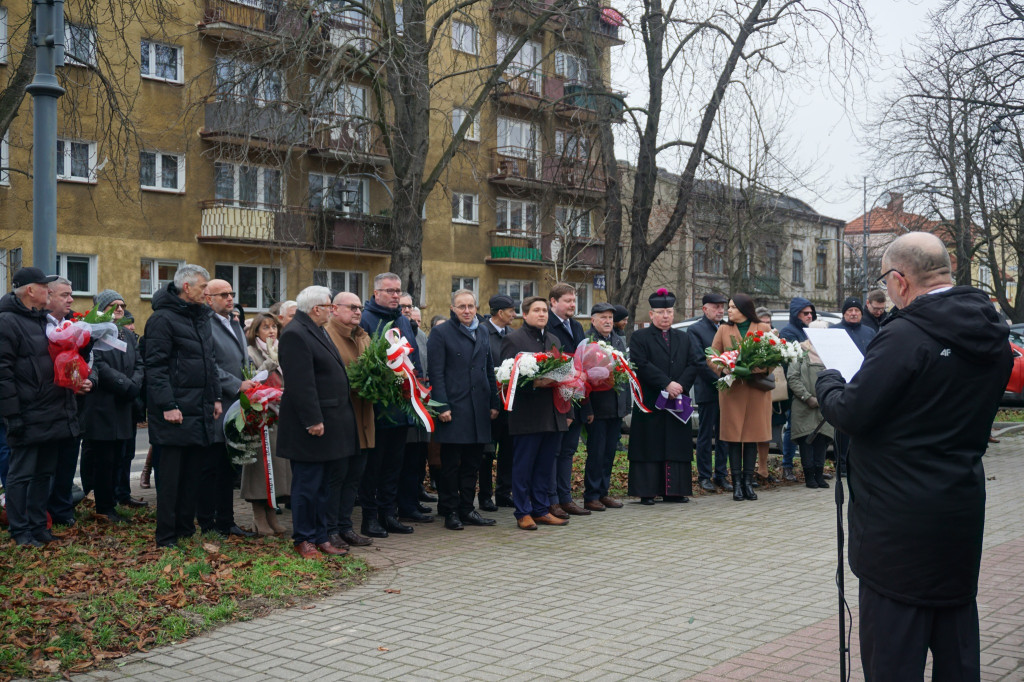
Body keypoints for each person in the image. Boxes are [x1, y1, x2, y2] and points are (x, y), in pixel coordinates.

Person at [816, 232, 1012, 681]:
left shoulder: (905, 334)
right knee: (956, 644)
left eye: (886, 283)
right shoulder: (992, 334)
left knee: (894, 658)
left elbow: (852, 412)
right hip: (959, 508)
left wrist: (828, 377)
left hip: (897, 524)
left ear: (900, 281)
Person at [0, 267, 89, 547]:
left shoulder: (42, 320)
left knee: (43, 475)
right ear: (30, 290)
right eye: (44, 287)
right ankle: (20, 529)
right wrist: (12, 414)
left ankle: (39, 526)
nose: (48, 291)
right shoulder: (7, 322)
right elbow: (3, 374)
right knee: (21, 475)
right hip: (27, 414)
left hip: (52, 412)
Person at [277, 286, 360, 559]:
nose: (332, 310)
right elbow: (301, 383)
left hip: (331, 423)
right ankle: (304, 539)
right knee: (307, 486)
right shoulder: (295, 334)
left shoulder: (316, 329)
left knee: (324, 485)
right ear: (316, 309)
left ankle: (321, 536)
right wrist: (313, 419)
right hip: (311, 427)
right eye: (329, 306)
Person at [144, 264, 222, 548]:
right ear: (186, 287)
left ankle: (185, 530)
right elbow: (155, 367)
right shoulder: (162, 320)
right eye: (204, 287)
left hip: (199, 409)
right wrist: (167, 405)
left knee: (193, 476)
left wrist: (214, 397)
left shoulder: (200, 318)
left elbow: (208, 361)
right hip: (174, 412)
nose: (208, 292)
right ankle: (166, 536)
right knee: (171, 478)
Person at [428, 289, 500, 530]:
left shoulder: (481, 330)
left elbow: (488, 368)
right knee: (450, 464)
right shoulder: (440, 333)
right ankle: (450, 511)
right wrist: (442, 406)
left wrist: (493, 403)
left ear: (476, 308)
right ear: (453, 308)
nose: (467, 311)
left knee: (472, 463)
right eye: (461, 307)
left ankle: (468, 509)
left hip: (479, 409)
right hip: (454, 408)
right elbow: (435, 373)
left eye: (470, 306)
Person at [359, 272, 422, 538]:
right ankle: (369, 518)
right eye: (390, 291)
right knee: (373, 466)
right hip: (377, 406)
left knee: (394, 465)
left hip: (401, 404)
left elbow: (412, 358)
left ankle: (389, 514)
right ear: (376, 293)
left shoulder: (402, 320)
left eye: (398, 291)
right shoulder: (365, 320)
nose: (395, 295)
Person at [627, 289, 702, 505]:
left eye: (669, 311)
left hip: (678, 401)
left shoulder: (683, 337)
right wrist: (665, 383)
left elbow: (693, 363)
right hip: (651, 400)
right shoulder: (640, 337)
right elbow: (641, 364)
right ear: (651, 315)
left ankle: (675, 491)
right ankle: (648, 491)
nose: (666, 316)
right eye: (661, 312)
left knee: (676, 444)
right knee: (650, 444)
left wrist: (680, 386)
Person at [500, 296, 569, 530]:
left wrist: (566, 407)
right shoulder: (513, 339)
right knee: (523, 466)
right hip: (527, 415)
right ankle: (523, 512)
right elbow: (505, 378)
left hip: (552, 414)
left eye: (545, 311)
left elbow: (564, 373)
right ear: (525, 314)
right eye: (537, 310)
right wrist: (534, 384)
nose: (542, 314)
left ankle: (541, 509)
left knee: (544, 466)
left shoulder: (553, 339)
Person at [78, 290, 144, 524]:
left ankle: (114, 502)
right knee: (103, 460)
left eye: (122, 305)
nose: (119, 309)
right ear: (101, 308)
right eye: (113, 305)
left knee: (119, 457)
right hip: (101, 406)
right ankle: (104, 506)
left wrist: (135, 383)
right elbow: (98, 365)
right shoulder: (92, 333)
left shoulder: (126, 334)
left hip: (123, 405)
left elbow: (139, 363)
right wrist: (125, 385)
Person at [202, 279, 257, 538]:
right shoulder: (205, 324)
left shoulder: (233, 322)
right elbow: (209, 365)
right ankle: (209, 521)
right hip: (217, 403)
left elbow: (241, 359)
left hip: (236, 406)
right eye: (223, 294)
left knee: (228, 466)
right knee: (212, 467)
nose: (230, 298)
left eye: (231, 293)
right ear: (208, 298)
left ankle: (227, 520)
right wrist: (237, 384)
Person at [709, 293, 772, 502]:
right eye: (729, 307)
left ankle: (748, 483)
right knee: (734, 438)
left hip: (755, 389)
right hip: (733, 390)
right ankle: (736, 483)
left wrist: (755, 367)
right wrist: (724, 368)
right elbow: (711, 355)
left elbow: (774, 356)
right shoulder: (724, 329)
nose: (729, 310)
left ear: (745, 310)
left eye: (733, 307)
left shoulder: (762, 328)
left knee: (752, 437)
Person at [324, 292, 375, 548]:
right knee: (337, 475)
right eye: (352, 307)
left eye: (360, 307)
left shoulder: (363, 336)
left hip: (363, 416)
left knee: (355, 475)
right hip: (340, 416)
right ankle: (330, 529)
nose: (357, 311)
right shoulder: (326, 335)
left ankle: (346, 527)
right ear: (334, 309)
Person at [240, 312, 292, 536]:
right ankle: (258, 516)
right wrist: (270, 363)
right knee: (259, 468)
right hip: (259, 417)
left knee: (277, 468)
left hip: (280, 414)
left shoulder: (283, 350)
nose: (271, 331)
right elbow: (252, 382)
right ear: (255, 332)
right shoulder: (251, 352)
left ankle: (271, 512)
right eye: (265, 327)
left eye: (274, 327)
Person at [544, 283, 593, 518]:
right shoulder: (547, 325)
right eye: (568, 301)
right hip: (556, 396)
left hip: (576, 396)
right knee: (554, 450)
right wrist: (572, 375)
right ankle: (551, 500)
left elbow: (583, 362)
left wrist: (586, 403)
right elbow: (550, 363)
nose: (573, 304)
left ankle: (566, 498)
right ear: (553, 302)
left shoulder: (576, 326)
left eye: (574, 300)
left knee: (568, 450)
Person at [44, 276, 90, 527]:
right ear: (47, 296)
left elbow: (85, 361)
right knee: (46, 467)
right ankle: (45, 513)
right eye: (65, 295)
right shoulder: (38, 324)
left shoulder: (73, 324)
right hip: (47, 406)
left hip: (70, 406)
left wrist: (84, 380)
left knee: (67, 463)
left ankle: (63, 511)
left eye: (71, 294)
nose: (71, 300)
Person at [582, 302, 630, 511]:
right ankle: (591, 495)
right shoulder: (587, 342)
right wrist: (587, 408)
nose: (608, 321)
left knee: (610, 452)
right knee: (596, 452)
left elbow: (625, 375)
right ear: (593, 320)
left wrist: (625, 405)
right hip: (597, 408)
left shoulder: (618, 341)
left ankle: (603, 492)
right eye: (603, 317)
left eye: (610, 317)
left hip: (616, 406)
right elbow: (581, 377)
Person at [687, 292, 732, 493]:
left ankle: (721, 474)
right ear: (705, 309)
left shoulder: (727, 328)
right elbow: (698, 361)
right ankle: (704, 476)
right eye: (715, 307)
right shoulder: (695, 330)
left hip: (728, 390)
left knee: (725, 435)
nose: (720, 310)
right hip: (709, 389)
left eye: (722, 306)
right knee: (706, 435)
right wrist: (721, 380)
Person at [397, 293, 433, 524]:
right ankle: (401, 505)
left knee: (416, 459)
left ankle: (411, 501)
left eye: (410, 306)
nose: (407, 310)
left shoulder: (420, 335)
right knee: (401, 459)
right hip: (400, 405)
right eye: (403, 306)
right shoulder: (393, 333)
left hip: (420, 403)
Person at [482, 294, 518, 509]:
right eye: (511, 310)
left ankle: (504, 492)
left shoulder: (512, 334)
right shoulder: (482, 332)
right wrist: (492, 402)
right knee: (487, 453)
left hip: (510, 405)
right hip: (490, 405)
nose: (514, 314)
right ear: (499, 312)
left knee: (509, 450)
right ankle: (485, 495)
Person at [787, 338, 833, 489]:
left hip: (824, 405)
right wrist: (807, 397)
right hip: (803, 406)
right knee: (806, 440)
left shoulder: (829, 354)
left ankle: (819, 475)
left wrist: (827, 397)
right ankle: (809, 477)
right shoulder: (799, 353)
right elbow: (793, 378)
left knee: (822, 440)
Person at [778, 296, 816, 481]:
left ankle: (814, 466)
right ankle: (787, 466)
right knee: (794, 428)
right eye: (805, 313)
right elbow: (793, 361)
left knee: (813, 428)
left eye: (811, 313)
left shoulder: (810, 331)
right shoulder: (789, 332)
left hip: (811, 387)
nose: (810, 316)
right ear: (796, 314)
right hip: (795, 388)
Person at [754, 307, 781, 485]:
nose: (766, 325)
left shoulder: (775, 338)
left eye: (768, 322)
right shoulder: (750, 339)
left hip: (769, 389)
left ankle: (763, 468)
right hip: (752, 389)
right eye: (762, 322)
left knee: (765, 431)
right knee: (751, 432)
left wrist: (776, 342)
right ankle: (750, 468)